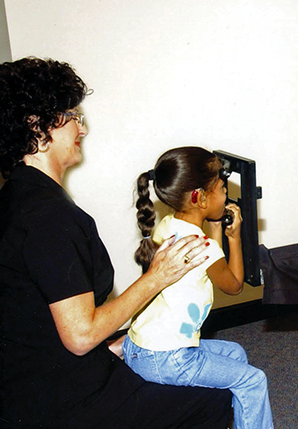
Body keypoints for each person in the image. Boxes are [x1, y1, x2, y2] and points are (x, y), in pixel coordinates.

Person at [0, 57, 232, 428]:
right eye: (72, 115)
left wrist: (116, 345)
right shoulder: (48, 218)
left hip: (26, 385)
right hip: (62, 402)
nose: (82, 128)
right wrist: (157, 276)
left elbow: (33, 319)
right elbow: (79, 336)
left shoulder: (16, 197)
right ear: (37, 127)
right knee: (218, 401)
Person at [124, 147, 273, 429]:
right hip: (169, 358)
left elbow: (209, 252)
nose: (226, 194)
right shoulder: (201, 247)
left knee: (235, 354)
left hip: (140, 348)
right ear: (199, 197)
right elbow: (234, 285)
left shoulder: (169, 225)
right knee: (254, 380)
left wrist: (217, 225)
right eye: (221, 188)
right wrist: (235, 237)